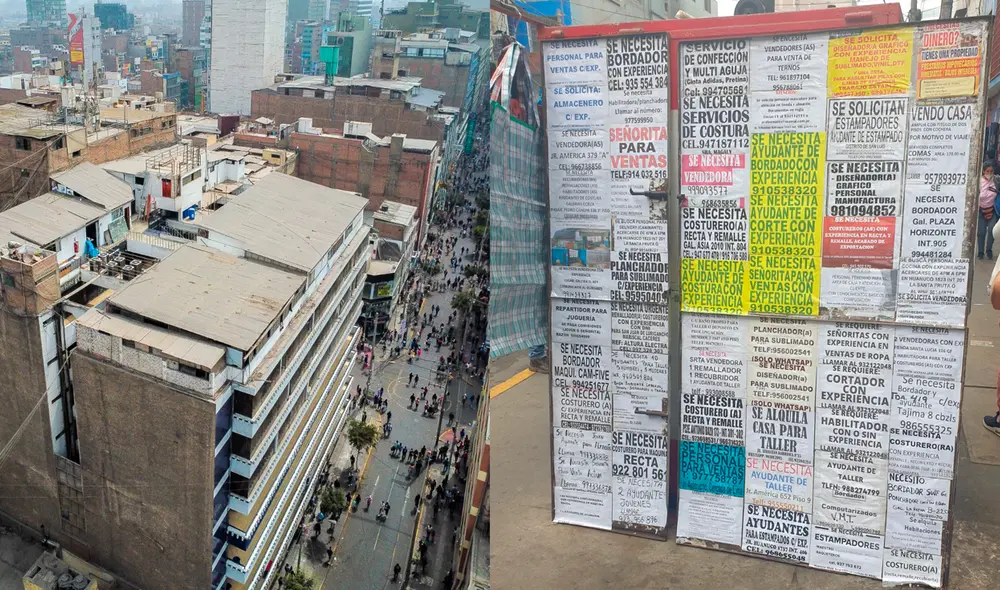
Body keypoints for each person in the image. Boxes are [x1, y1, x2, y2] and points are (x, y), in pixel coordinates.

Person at [980, 161, 999, 260]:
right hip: (981, 210)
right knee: (981, 232)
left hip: (992, 210)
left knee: (992, 230)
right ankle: (980, 252)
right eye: (987, 171)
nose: (989, 173)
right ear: (983, 171)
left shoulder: (996, 180)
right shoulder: (979, 182)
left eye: (991, 171)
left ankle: (989, 250)